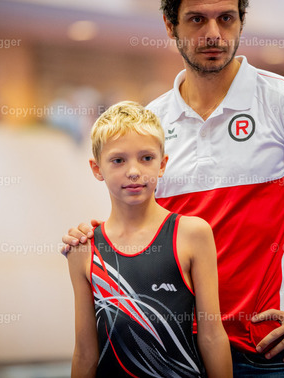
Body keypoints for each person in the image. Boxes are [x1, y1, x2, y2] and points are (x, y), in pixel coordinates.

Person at [64, 0, 284, 376]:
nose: (213, 34)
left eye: (226, 18)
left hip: (265, 356)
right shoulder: (151, 123)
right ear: (170, 26)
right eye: (197, 19)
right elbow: (137, 223)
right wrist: (91, 235)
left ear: (241, 21)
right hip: (174, 358)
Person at [67, 101, 232, 377]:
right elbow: (85, 353)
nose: (134, 171)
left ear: (162, 164)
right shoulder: (84, 249)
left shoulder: (192, 234)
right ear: (97, 169)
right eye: (118, 160)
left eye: (146, 158)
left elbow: (212, 336)